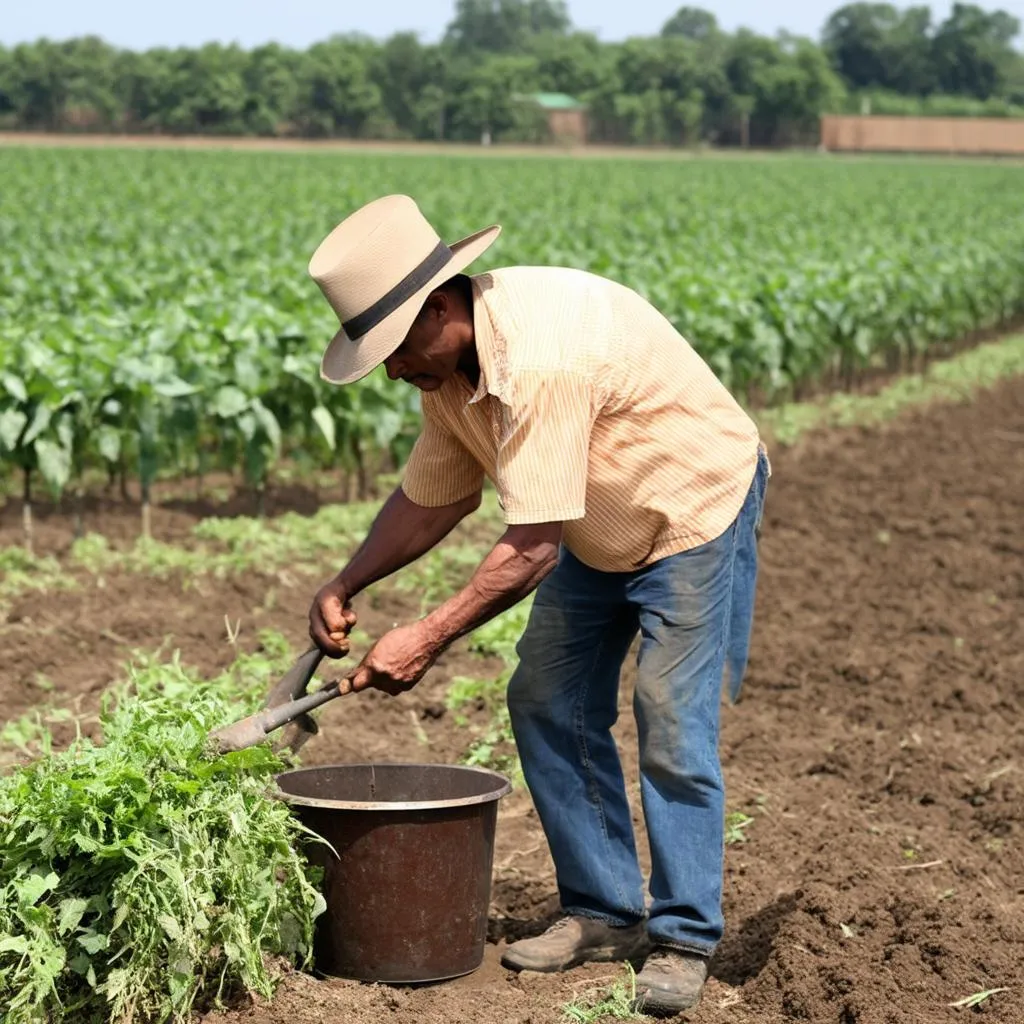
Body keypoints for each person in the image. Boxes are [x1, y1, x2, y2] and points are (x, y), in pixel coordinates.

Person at [305, 195, 769, 1016]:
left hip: (691, 509)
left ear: (439, 309)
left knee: (669, 714)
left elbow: (530, 549)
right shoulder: (446, 371)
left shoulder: (540, 358)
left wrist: (428, 635)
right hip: (597, 524)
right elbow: (430, 500)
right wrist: (346, 583)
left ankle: (685, 936)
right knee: (546, 697)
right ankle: (602, 911)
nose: (390, 370)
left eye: (393, 347)